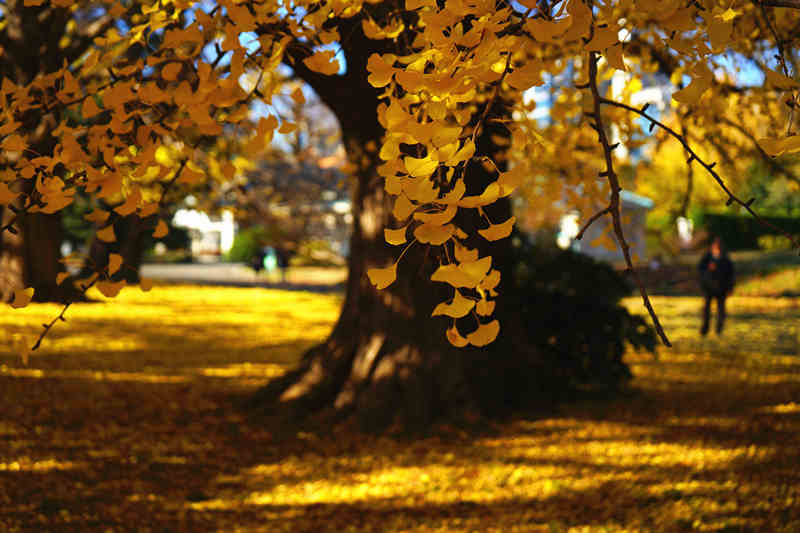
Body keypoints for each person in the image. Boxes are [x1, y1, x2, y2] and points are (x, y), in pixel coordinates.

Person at [698, 236, 735, 335]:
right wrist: (708, 271)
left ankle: (719, 329)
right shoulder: (706, 258)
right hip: (708, 288)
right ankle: (705, 328)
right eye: (716, 246)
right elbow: (700, 272)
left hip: (721, 288)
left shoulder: (726, 260)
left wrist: (730, 288)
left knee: (721, 310)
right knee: (706, 309)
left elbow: (731, 275)